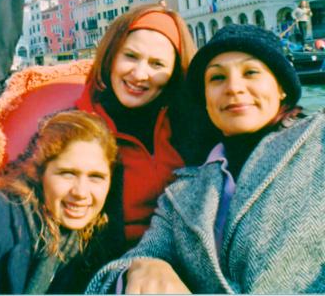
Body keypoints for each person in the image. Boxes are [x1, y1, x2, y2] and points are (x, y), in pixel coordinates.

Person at [0, 5, 197, 262]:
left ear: (174, 71)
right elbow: (11, 174)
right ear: (112, 56)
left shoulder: (188, 127)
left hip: (166, 262)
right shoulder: (76, 123)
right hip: (88, 265)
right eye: (131, 56)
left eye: (157, 64)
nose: (140, 74)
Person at [86, 24, 325, 294]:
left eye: (251, 73)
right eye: (217, 78)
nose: (234, 88)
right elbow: (114, 275)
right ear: (205, 98)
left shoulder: (319, 140)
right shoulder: (182, 192)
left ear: (282, 88)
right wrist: (142, 268)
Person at [0, 110, 117, 294]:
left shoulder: (97, 243)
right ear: (40, 174)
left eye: (96, 177)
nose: (81, 192)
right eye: (67, 174)